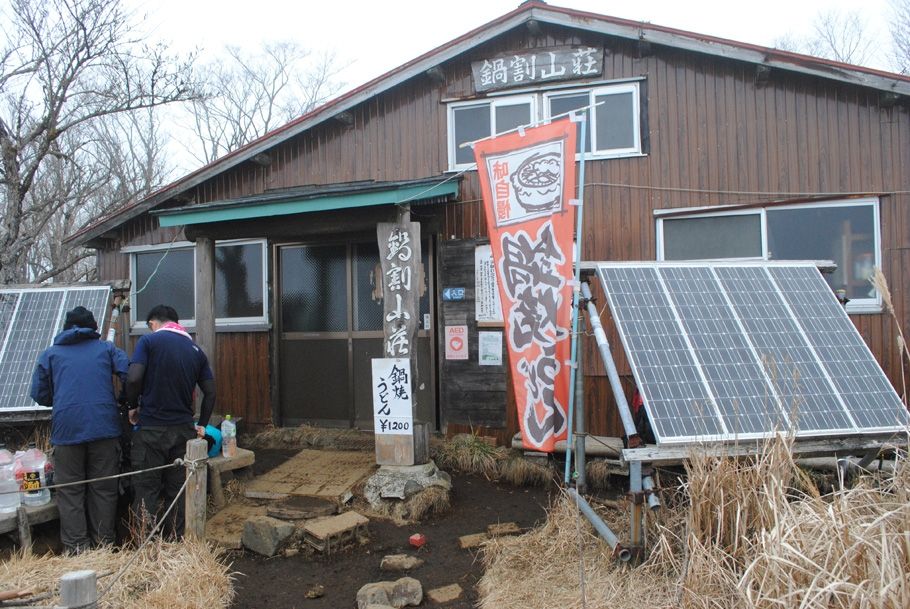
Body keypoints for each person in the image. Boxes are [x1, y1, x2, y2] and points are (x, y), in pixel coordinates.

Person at [30, 306, 130, 553]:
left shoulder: (50, 355)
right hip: (105, 427)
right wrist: (124, 399)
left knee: (70, 491)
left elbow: (39, 394)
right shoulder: (106, 349)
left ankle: (77, 551)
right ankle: (104, 547)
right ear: (93, 328)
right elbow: (130, 373)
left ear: (66, 328)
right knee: (104, 488)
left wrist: (64, 398)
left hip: (67, 430)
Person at [125, 304, 215, 537]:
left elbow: (134, 378)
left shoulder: (149, 342)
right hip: (183, 431)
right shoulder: (195, 349)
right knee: (178, 491)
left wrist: (132, 407)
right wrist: (202, 424)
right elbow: (211, 392)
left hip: (151, 430)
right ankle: (175, 544)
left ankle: (146, 544)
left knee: (147, 488)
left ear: (154, 323)